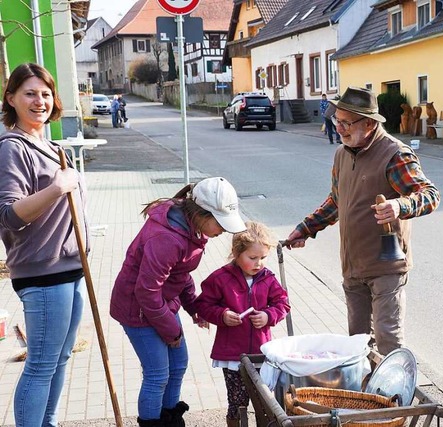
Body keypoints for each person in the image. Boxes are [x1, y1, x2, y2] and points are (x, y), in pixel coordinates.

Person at [286, 87, 440, 355]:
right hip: (352, 264)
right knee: (356, 341)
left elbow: (430, 195)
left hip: (387, 264)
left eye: (346, 122)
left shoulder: (394, 154)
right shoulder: (342, 154)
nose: (340, 128)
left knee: (387, 338)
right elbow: (336, 200)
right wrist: (305, 229)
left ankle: (395, 395)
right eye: (337, 120)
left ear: (368, 123)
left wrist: (399, 205)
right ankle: (367, 394)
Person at [110, 177, 247, 427]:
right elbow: (147, 291)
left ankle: (170, 418)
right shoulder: (167, 239)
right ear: (201, 214)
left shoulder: (191, 228)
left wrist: (194, 306)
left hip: (160, 303)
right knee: (157, 374)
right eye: (220, 224)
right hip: (138, 309)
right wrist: (172, 331)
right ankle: (153, 422)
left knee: (178, 364)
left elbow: (179, 274)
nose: (223, 231)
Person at [0, 63, 88, 427]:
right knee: (40, 364)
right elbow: (9, 215)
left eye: (46, 94)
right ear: (11, 99)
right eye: (30, 93)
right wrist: (56, 188)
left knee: (61, 357)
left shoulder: (51, 147)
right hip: (43, 272)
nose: (40, 101)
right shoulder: (11, 148)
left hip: (70, 269)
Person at [195, 221, 289, 427]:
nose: (258, 263)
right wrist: (222, 315)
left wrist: (268, 316)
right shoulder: (220, 278)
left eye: (263, 258)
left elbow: (283, 304)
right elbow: (202, 305)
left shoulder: (268, 278)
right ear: (236, 254)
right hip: (232, 355)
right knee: (237, 402)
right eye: (252, 258)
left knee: (264, 401)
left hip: (260, 353)